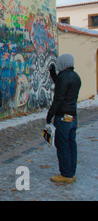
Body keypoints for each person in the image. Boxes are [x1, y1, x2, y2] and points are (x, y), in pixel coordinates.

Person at [46, 54, 81, 184]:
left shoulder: (63, 77)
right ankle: (71, 173)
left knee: (62, 145)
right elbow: (64, 87)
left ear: (62, 64)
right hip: (73, 116)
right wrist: (53, 74)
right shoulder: (75, 77)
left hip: (62, 117)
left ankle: (65, 174)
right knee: (71, 144)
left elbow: (59, 98)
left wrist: (50, 115)